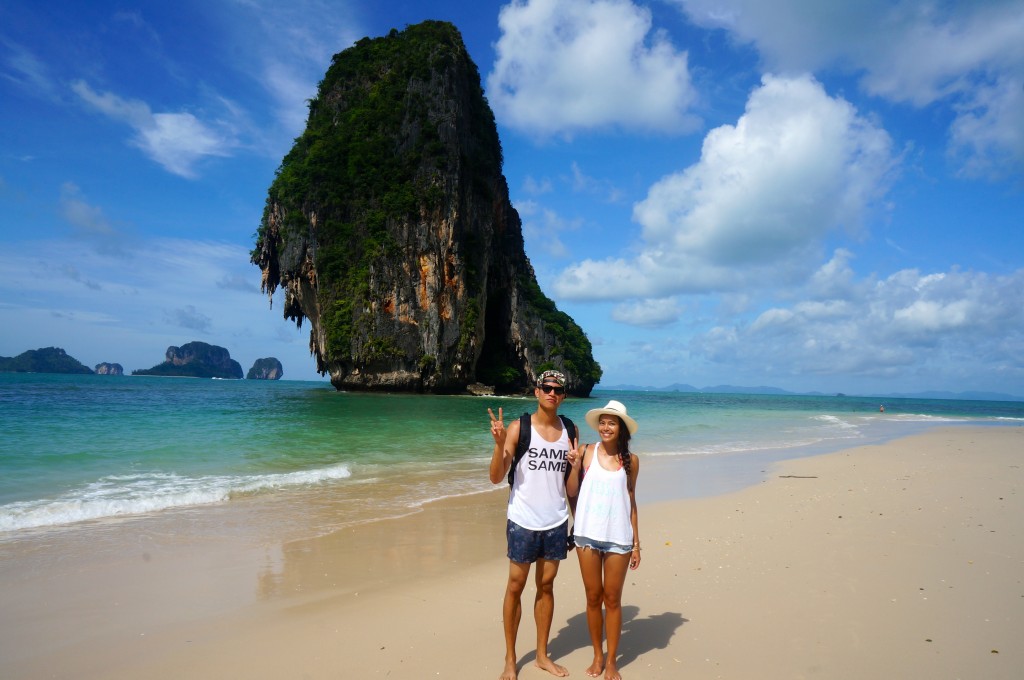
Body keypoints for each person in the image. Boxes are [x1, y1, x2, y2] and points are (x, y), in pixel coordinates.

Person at [488, 370, 574, 680]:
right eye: (546, 387)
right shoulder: (518, 428)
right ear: (536, 391)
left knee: (546, 586)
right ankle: (511, 659)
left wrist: (577, 519)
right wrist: (499, 445)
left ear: (563, 396)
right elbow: (497, 477)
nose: (552, 392)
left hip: (556, 520)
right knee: (515, 586)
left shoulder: (570, 430)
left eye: (558, 389)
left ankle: (541, 655)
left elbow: (571, 484)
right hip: (523, 519)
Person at [565, 400, 641, 680]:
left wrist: (636, 544)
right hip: (586, 534)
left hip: (618, 538)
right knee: (593, 597)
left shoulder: (631, 461)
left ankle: (612, 662)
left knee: (613, 599)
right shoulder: (585, 452)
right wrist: (573, 468)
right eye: (603, 422)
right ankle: (598, 655)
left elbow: (631, 503)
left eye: (612, 422)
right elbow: (571, 491)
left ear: (621, 428)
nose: (606, 427)